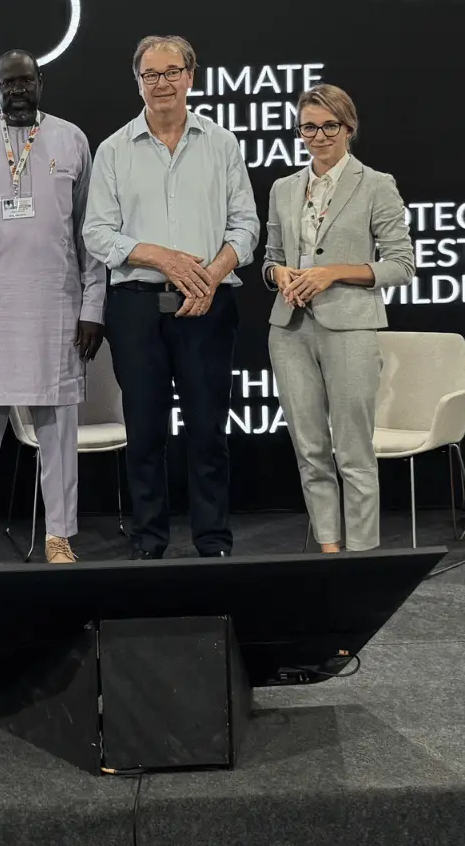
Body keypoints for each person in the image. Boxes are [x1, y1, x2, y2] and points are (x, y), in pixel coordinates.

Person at [83, 35, 260, 560]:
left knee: (208, 431)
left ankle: (212, 540)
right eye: (150, 74)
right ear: (138, 81)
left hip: (209, 307)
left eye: (171, 72)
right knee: (144, 432)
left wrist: (211, 274)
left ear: (191, 76)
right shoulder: (113, 149)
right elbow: (97, 233)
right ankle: (149, 540)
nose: (161, 83)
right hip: (137, 307)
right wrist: (163, 257)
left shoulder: (222, 144)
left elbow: (246, 227)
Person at [0, 50, 106, 566]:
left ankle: (60, 535)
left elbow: (92, 232)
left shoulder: (71, 139)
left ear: (41, 82)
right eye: (7, 83)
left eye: (25, 81)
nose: (17, 90)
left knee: (58, 425)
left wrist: (93, 306)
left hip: (57, 305)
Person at [263, 85, 413, 553]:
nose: (319, 135)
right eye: (309, 127)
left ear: (348, 128)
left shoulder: (375, 184)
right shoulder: (284, 188)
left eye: (330, 125)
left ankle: (362, 554)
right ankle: (329, 549)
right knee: (310, 450)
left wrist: (334, 274)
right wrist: (279, 272)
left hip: (350, 326)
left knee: (353, 452)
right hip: (289, 329)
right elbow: (268, 259)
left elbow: (401, 266)